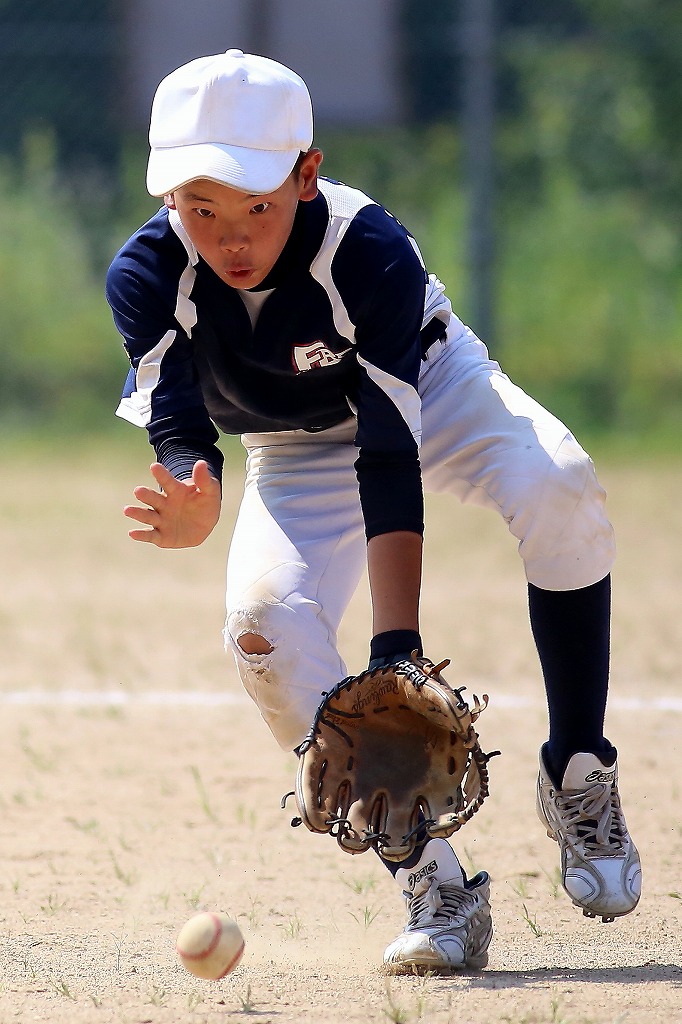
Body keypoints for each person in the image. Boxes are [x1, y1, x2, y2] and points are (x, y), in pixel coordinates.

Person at [106, 49, 641, 973]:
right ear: (166, 200)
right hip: (290, 447)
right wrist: (192, 485)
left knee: (559, 479)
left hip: (430, 390)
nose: (230, 239)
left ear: (306, 173)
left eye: (258, 207)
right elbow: (182, 422)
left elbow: (390, 455)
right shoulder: (149, 277)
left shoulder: (367, 252)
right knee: (262, 629)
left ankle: (579, 768)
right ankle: (430, 880)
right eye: (201, 210)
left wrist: (397, 652)